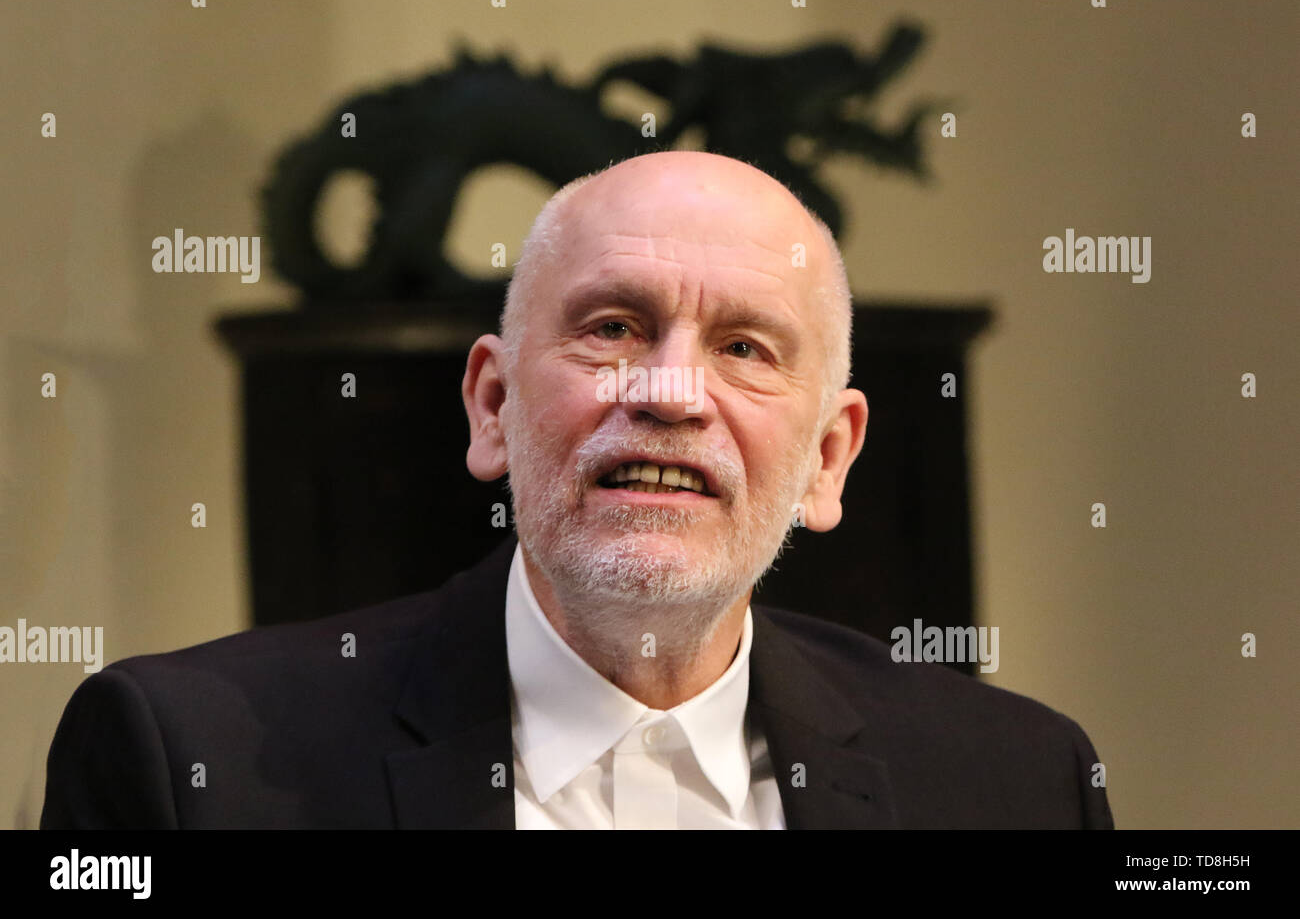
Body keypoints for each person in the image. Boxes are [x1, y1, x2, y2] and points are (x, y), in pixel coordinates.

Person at [41, 150, 1114, 829]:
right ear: (492, 407)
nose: (667, 391)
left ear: (827, 459)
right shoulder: (185, 762)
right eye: (612, 328)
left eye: (743, 346)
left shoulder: (1018, 784)